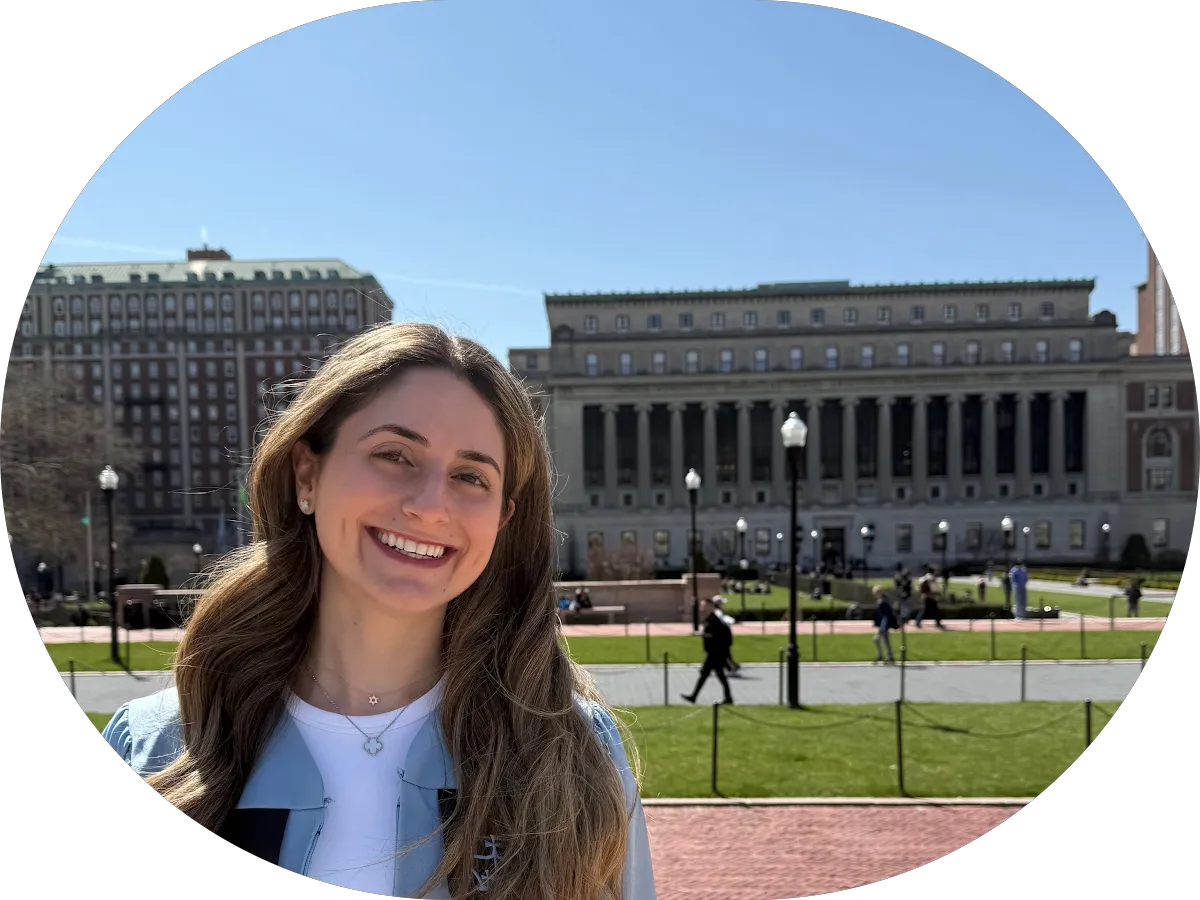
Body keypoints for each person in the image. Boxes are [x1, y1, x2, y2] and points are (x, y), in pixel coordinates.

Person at [100, 323, 656, 900]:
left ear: (501, 520)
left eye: (470, 476)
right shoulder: (154, 747)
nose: (430, 506)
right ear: (307, 474)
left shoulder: (574, 753)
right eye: (394, 455)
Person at [681, 596, 735, 705]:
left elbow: (719, 635)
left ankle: (694, 697)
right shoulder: (709, 618)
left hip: (715, 652)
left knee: (705, 674)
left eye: (704, 605)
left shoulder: (715, 619)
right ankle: (728, 698)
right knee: (719, 676)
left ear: (710, 606)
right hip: (713, 652)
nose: (702, 607)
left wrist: (704, 635)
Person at [712, 595, 741, 676]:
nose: (723, 605)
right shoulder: (718, 612)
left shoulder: (719, 612)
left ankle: (732, 666)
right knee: (723, 652)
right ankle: (732, 666)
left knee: (724, 652)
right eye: (721, 603)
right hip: (722, 635)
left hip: (724, 635)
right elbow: (721, 621)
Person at [871, 586, 898, 663]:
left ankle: (881, 655)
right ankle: (890, 656)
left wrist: (883, 625)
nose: (874, 594)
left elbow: (886, 615)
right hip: (883, 624)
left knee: (876, 639)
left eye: (875, 593)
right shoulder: (882, 600)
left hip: (884, 624)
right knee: (886, 640)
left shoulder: (884, 602)